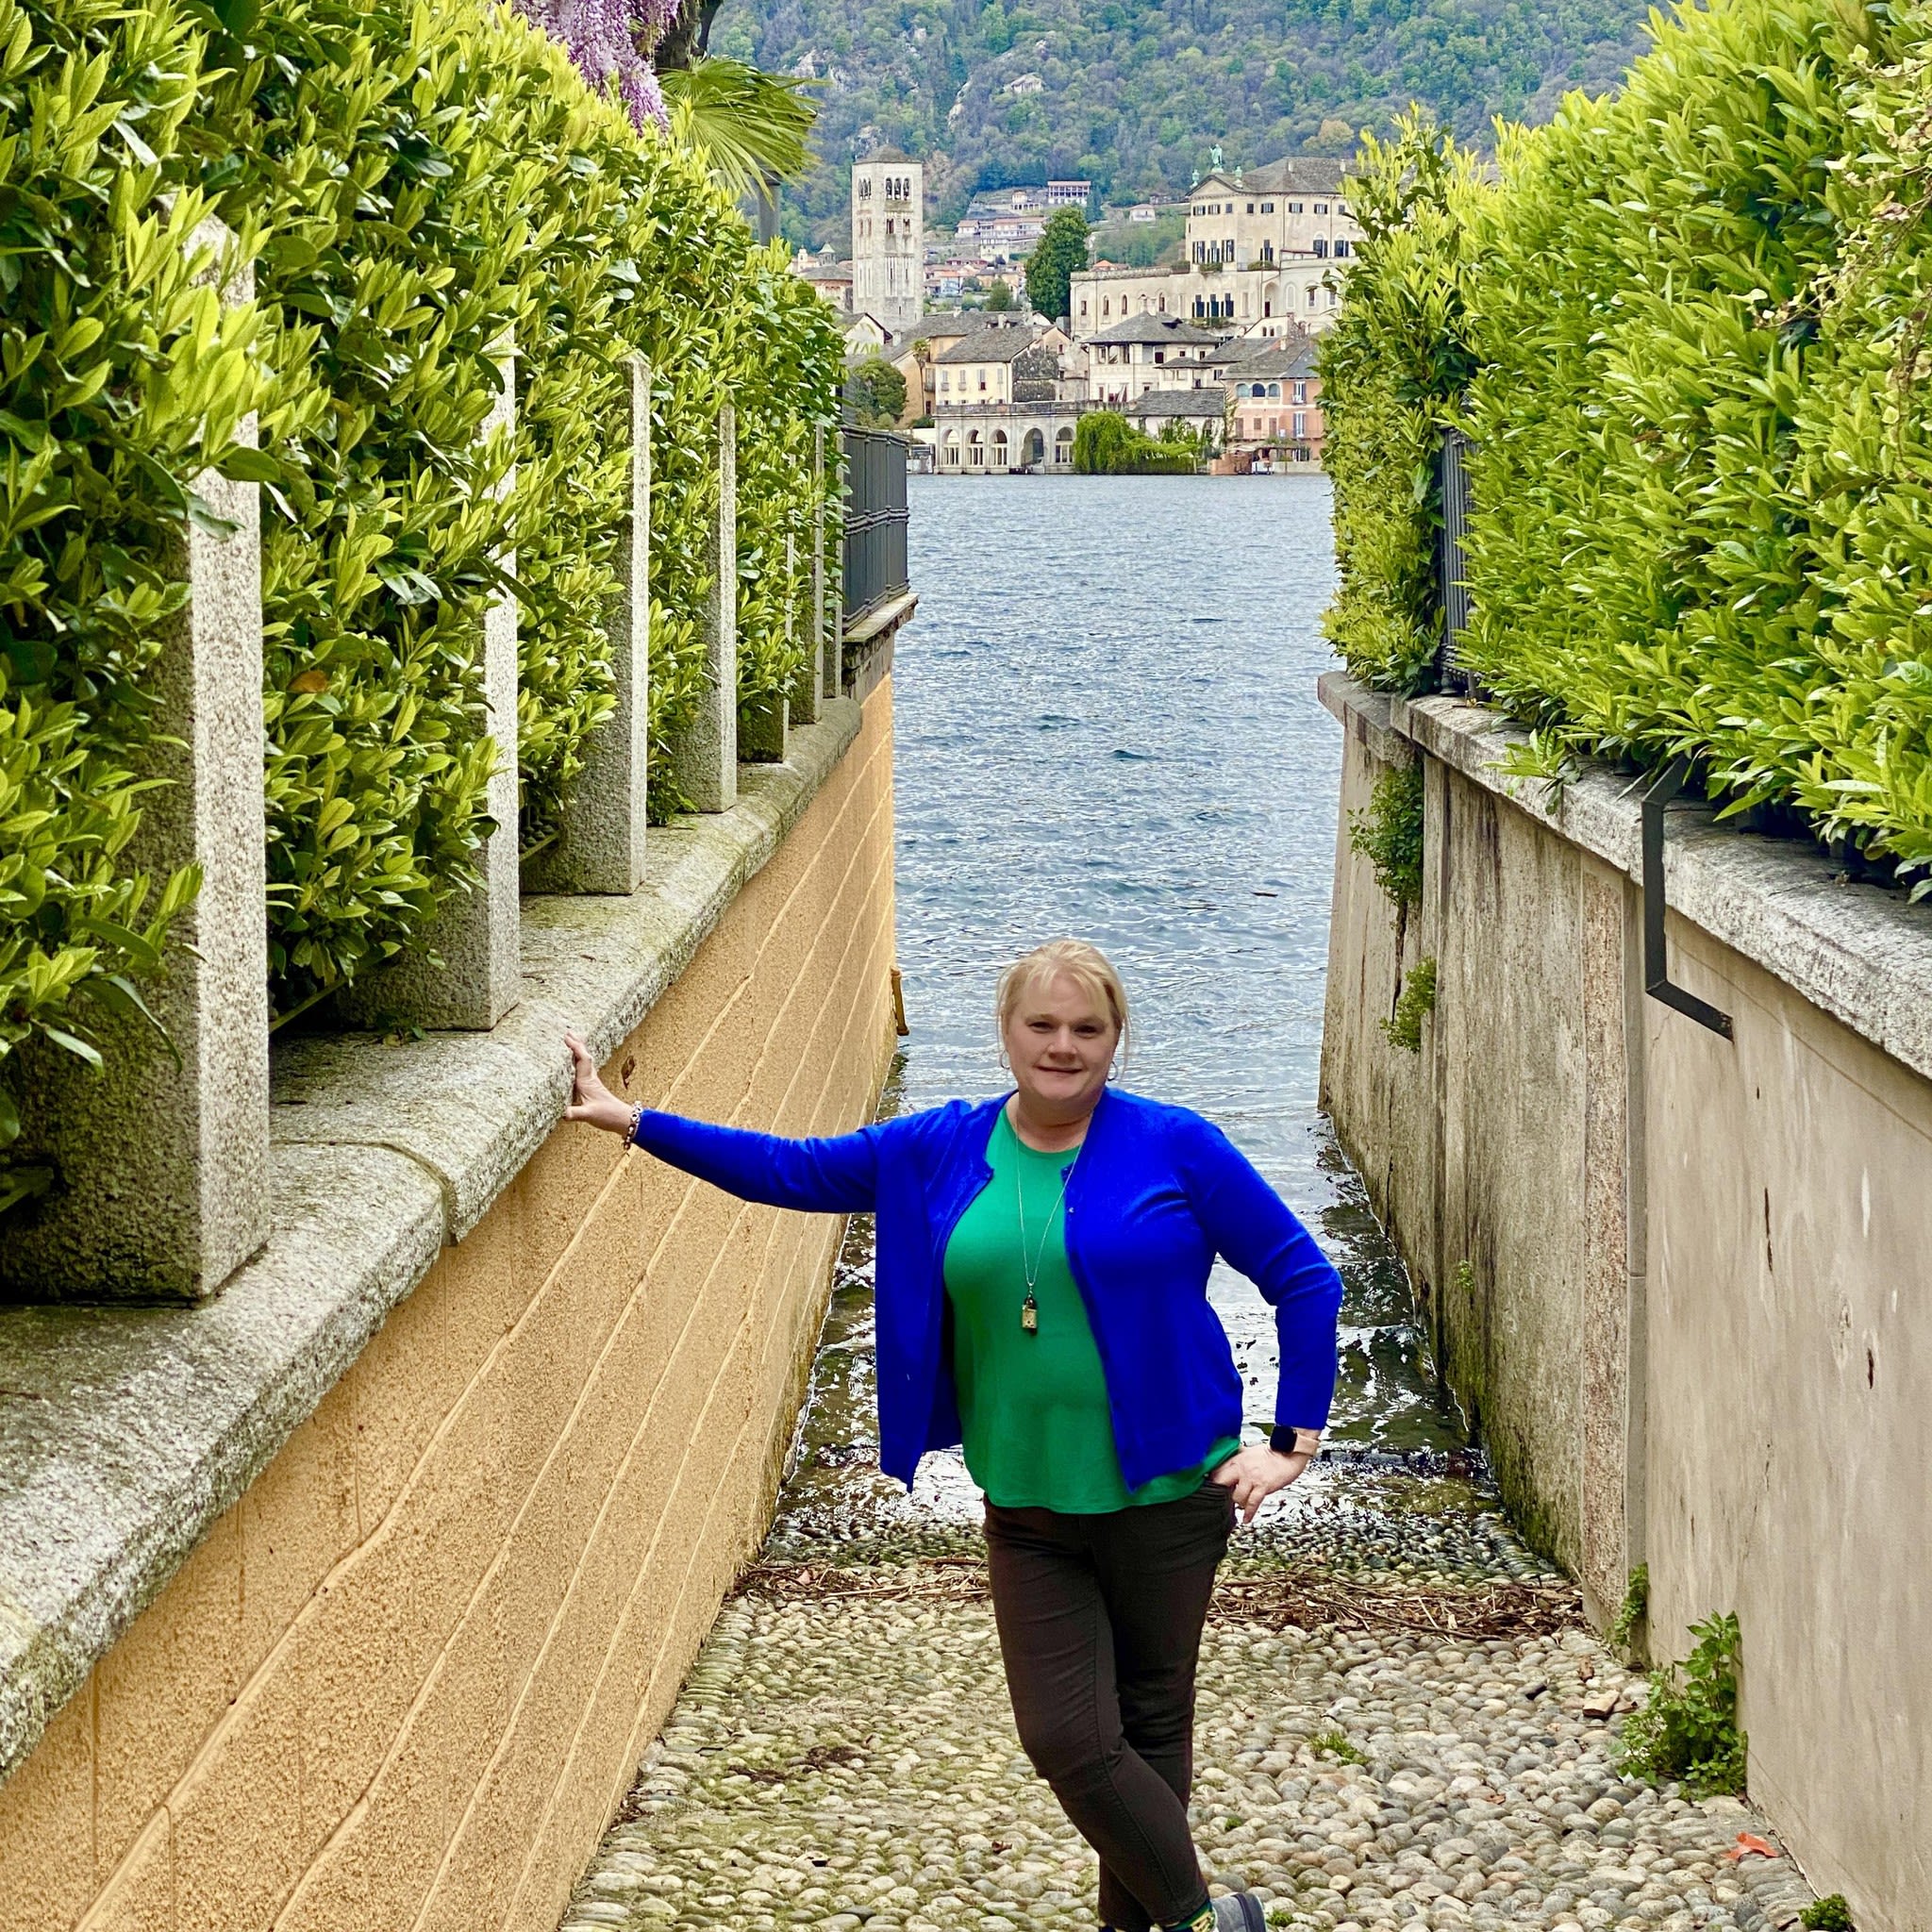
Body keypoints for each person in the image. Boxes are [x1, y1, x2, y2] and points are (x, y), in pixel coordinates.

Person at [563, 938, 1344, 1932]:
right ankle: (1203, 1918)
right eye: (1042, 1024)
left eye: (1086, 1028)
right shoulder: (933, 1148)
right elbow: (786, 1169)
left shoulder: (1175, 1145)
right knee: (1067, 1736)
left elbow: (1305, 1279)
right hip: (1025, 1503)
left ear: (1114, 1039)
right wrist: (631, 1120)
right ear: (1006, 1030)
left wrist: (1290, 1441)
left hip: (1168, 1497)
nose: (1062, 1046)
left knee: (1148, 1725)